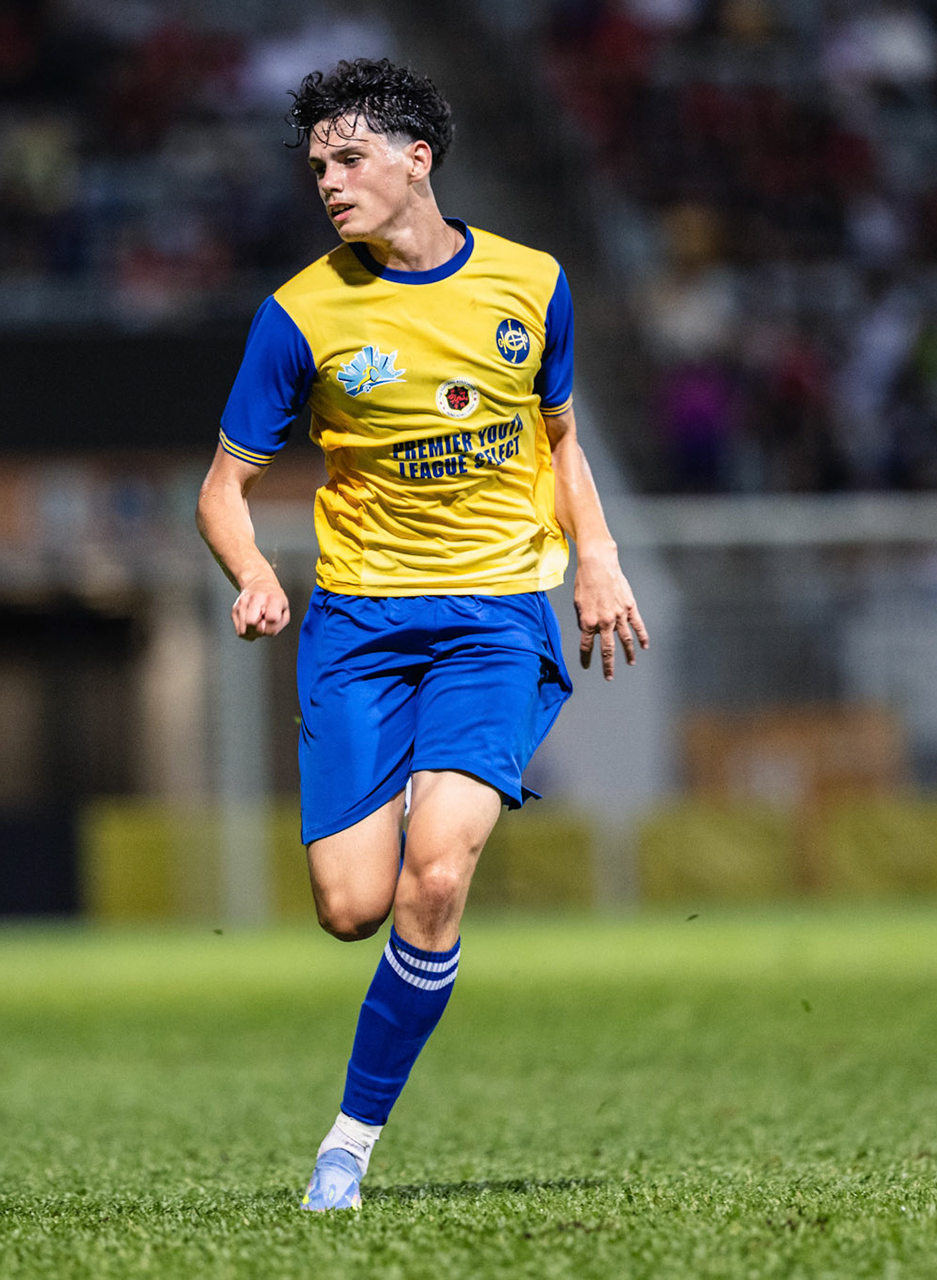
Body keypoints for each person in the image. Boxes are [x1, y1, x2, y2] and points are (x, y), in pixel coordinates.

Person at [194, 58, 648, 1212]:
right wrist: (251, 574)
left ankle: (346, 1144)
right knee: (352, 906)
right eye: (316, 168)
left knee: (435, 874)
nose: (329, 183)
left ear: (416, 158)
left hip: (496, 619)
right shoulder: (300, 314)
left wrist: (596, 556)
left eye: (348, 159)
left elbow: (559, 440)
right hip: (358, 628)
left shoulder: (531, 284)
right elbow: (220, 490)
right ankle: (406, 798)